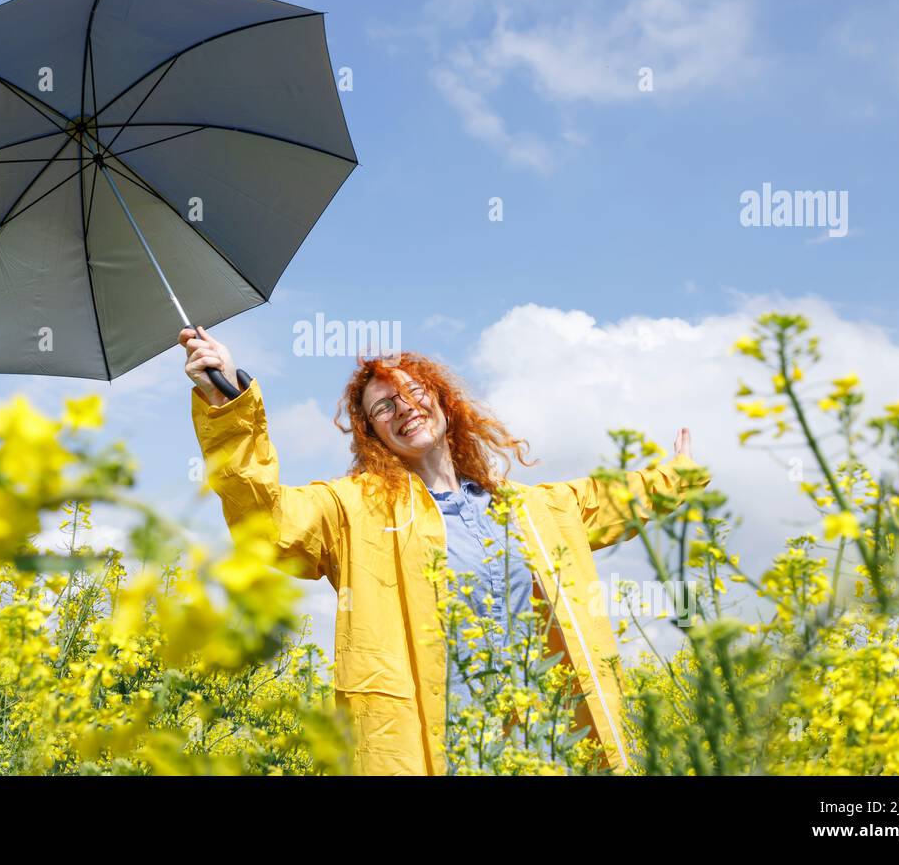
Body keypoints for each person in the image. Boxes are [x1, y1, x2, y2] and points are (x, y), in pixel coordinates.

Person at [179, 324, 709, 775]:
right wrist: (226, 404)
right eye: (382, 407)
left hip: (548, 746)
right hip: (439, 751)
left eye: (412, 392)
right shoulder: (353, 510)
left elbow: (609, 500)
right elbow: (266, 523)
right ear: (372, 435)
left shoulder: (529, 509)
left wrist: (676, 477)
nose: (403, 407)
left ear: (442, 401)